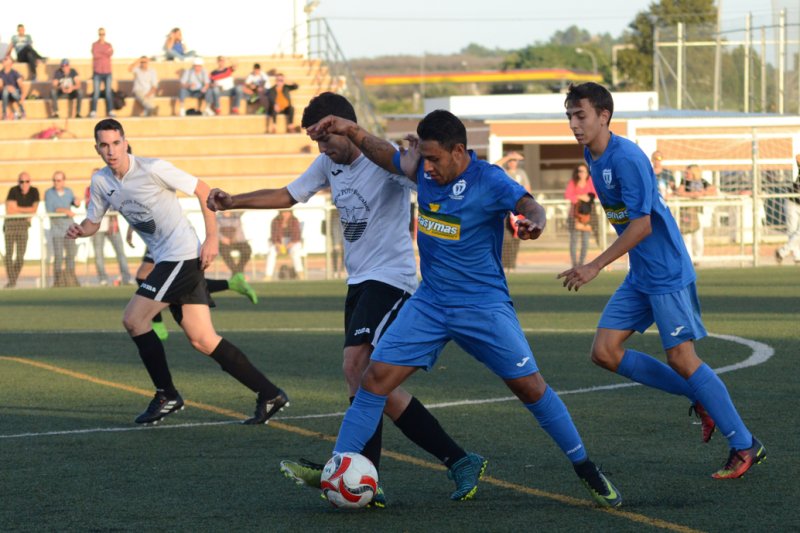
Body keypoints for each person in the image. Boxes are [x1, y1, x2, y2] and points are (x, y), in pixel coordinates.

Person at [300, 107, 623, 508]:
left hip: (482, 307)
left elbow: (530, 206)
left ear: (458, 151)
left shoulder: (489, 179)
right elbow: (384, 153)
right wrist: (350, 129)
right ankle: (340, 466)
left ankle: (587, 469)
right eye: (424, 158)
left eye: (434, 159)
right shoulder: (423, 170)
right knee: (374, 379)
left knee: (530, 387)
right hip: (430, 304)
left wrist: (534, 222)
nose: (427, 168)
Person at [208, 92, 488, 506]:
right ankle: (458, 460)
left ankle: (356, 471)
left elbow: (427, 180)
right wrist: (234, 201)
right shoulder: (328, 163)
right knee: (375, 387)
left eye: (326, 138)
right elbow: (288, 194)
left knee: (355, 365)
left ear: (344, 127)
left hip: (391, 281)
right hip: (358, 283)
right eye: (316, 142)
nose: (322, 149)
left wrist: (417, 159)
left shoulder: (382, 158)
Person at [559, 82, 765, 480]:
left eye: (580, 115)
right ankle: (701, 398)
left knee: (682, 359)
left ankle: (744, 444)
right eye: (569, 116)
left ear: (604, 116)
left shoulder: (627, 159)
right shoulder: (591, 154)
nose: (573, 124)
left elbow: (642, 226)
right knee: (604, 351)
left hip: (666, 271)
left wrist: (594, 265)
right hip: (642, 273)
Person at [66, 119, 285, 426]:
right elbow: (93, 222)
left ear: (125, 143)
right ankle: (269, 394)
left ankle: (166, 394)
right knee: (203, 339)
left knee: (134, 319)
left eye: (116, 143)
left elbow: (204, 190)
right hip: (168, 259)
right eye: (104, 145)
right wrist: (81, 230)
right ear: (97, 149)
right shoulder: (101, 181)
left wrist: (211, 238)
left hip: (181, 256)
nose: (111, 150)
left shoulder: (153, 168)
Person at [84, 175, 132, 286]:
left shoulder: (111, 187)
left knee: (120, 253)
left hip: (113, 226)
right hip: (97, 227)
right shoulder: (89, 190)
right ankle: (103, 279)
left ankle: (126, 278)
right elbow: (88, 205)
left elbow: (118, 203)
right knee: (99, 255)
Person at [495, 151, 531, 272]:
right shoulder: (503, 172)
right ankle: (504, 264)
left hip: (518, 210)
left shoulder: (521, 173)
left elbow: (528, 189)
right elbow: (494, 165)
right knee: (505, 238)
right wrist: (508, 156)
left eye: (514, 160)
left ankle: (512, 265)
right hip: (506, 209)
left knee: (517, 236)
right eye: (510, 160)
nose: (512, 162)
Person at [4, 171, 40, 288]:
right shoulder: (13, 191)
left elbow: (34, 210)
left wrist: (17, 209)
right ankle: (12, 281)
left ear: (30, 182)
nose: (24, 184)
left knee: (20, 256)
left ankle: (12, 281)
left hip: (23, 226)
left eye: (27, 181)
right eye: (22, 181)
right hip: (10, 225)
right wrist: (27, 211)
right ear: (18, 182)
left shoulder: (34, 191)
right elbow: (10, 211)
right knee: (9, 255)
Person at [675, 164, 716, 264]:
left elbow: (713, 190)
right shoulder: (684, 182)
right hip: (687, 212)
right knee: (686, 236)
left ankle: (698, 257)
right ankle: (689, 259)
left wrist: (703, 193)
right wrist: (692, 195)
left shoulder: (702, 181)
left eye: (688, 172)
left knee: (698, 235)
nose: (686, 174)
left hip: (698, 211)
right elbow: (679, 192)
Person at [45, 171, 80, 287]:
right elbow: (51, 210)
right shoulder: (49, 193)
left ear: (63, 181)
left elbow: (75, 203)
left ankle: (71, 280)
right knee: (59, 256)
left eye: (58, 180)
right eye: (54, 180)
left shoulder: (69, 192)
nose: (56, 182)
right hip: (57, 230)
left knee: (71, 255)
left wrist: (77, 202)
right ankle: (58, 281)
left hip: (70, 229)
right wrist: (65, 211)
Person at [564, 163, 597, 268]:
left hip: (588, 215)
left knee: (585, 241)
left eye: (584, 171)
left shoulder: (590, 181)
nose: (582, 173)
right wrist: (580, 197)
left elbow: (595, 195)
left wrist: (587, 197)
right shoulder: (573, 182)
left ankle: (581, 263)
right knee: (574, 240)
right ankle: (574, 264)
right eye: (579, 171)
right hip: (574, 215)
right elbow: (568, 195)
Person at [264, 210, 304, 280]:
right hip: (279, 242)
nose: (285, 214)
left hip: (292, 242)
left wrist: (288, 245)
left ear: (291, 213)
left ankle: (300, 274)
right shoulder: (275, 221)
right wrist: (278, 245)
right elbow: (273, 236)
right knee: (271, 253)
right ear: (280, 213)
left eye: (287, 212)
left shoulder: (294, 220)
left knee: (295, 253)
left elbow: (297, 236)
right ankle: (268, 275)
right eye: (283, 212)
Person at [775, 153, 800, 264]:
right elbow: (798, 157)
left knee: (798, 232)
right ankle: (797, 257)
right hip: (792, 202)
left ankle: (782, 252)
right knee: (792, 231)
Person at [89, 28, 114, 119]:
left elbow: (110, 53)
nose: (101, 36)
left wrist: (101, 53)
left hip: (107, 72)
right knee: (96, 93)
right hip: (97, 72)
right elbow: (95, 54)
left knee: (108, 93)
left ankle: (110, 110)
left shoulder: (108, 44)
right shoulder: (94, 45)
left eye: (103, 34)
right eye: (100, 34)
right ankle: (93, 111)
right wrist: (104, 53)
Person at [217, 210, 251, 275]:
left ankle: (237, 272)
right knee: (224, 251)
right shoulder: (218, 218)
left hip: (239, 241)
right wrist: (222, 239)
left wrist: (234, 238)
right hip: (225, 243)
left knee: (247, 250)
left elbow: (244, 208)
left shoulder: (237, 215)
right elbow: (216, 231)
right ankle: (238, 273)